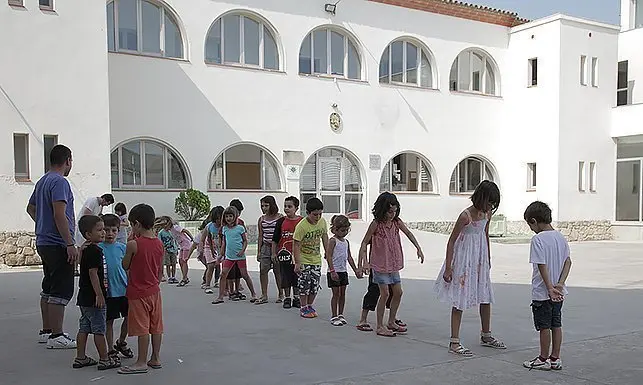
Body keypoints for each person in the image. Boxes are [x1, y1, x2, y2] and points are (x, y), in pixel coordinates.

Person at [434, 180, 506, 356]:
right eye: (488, 201)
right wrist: (449, 267)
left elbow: (485, 235)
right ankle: (454, 341)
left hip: (479, 259)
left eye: (492, 204)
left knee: (485, 295)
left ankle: (486, 334)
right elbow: (452, 240)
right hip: (464, 259)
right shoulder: (466, 216)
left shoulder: (487, 214)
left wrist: (487, 258)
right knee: (460, 298)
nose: (490, 206)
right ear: (481, 197)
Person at [26, 144, 78, 349]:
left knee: (48, 286)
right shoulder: (60, 182)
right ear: (67, 160)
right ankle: (57, 335)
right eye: (71, 161)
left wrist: (41, 223)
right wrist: (70, 242)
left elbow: (30, 208)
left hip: (43, 241)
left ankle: (46, 331)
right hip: (58, 243)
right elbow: (60, 214)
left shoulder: (42, 181)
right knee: (61, 289)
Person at [357, 192, 424, 337]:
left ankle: (392, 321)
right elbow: (364, 243)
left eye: (394, 211)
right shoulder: (376, 224)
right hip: (380, 265)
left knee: (398, 292)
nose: (392, 214)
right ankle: (380, 326)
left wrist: (418, 247)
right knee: (385, 293)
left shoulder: (396, 222)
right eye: (389, 211)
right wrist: (365, 262)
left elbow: (409, 233)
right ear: (382, 210)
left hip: (393, 264)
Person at [522, 201, 572, 371]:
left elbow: (541, 265)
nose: (531, 229)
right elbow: (568, 262)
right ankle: (555, 358)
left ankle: (543, 358)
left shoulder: (537, 240)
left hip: (543, 293)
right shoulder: (560, 237)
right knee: (556, 324)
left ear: (534, 221)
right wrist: (560, 283)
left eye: (530, 225)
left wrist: (549, 287)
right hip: (559, 292)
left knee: (544, 327)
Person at [119, 204, 165, 375]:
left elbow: (125, 265)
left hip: (138, 293)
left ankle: (141, 362)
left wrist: (131, 241)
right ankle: (155, 357)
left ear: (137, 224)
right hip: (154, 291)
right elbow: (160, 270)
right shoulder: (159, 244)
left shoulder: (133, 244)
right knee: (156, 326)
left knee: (142, 328)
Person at [73, 215, 121, 370]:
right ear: (88, 234)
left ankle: (80, 358)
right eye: (100, 230)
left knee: (84, 328)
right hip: (94, 298)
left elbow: (81, 264)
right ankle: (104, 359)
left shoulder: (86, 249)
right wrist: (99, 294)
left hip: (84, 298)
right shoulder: (94, 251)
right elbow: (93, 274)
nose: (103, 233)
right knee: (99, 329)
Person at [99, 214, 134, 360]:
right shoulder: (97, 248)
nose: (110, 233)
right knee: (109, 321)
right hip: (108, 292)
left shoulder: (122, 248)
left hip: (124, 290)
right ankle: (110, 348)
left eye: (114, 230)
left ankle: (121, 341)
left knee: (129, 318)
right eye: (106, 230)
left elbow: (128, 268)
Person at [212, 206, 257, 304]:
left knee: (245, 275)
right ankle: (220, 297)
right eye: (227, 216)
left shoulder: (240, 228)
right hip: (229, 256)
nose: (229, 218)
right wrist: (221, 255)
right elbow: (224, 243)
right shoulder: (224, 229)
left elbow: (245, 241)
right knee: (223, 274)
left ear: (235, 217)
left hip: (240, 256)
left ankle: (254, 294)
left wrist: (242, 250)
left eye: (231, 216)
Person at [293, 197, 329, 319]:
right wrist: (297, 263)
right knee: (304, 283)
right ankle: (303, 306)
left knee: (315, 283)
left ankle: (310, 305)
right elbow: (296, 244)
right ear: (307, 213)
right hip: (304, 259)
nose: (317, 217)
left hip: (316, 259)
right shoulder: (302, 226)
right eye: (315, 214)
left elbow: (325, 237)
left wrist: (328, 252)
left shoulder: (322, 222)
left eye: (320, 214)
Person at [325, 215, 361, 326]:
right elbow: (329, 256)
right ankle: (334, 315)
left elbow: (349, 257)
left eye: (346, 230)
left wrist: (355, 270)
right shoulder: (332, 241)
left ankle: (341, 314)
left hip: (343, 271)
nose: (344, 232)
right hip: (334, 271)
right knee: (336, 294)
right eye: (342, 230)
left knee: (342, 294)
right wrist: (332, 270)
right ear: (335, 229)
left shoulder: (346, 242)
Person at [272, 196, 303, 309]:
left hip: (298, 254)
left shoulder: (301, 221)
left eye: (289, 206)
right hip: (284, 253)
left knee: (296, 276)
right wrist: (274, 253)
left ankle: (296, 298)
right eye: (285, 206)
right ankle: (287, 298)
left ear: (296, 208)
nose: (287, 209)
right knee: (285, 276)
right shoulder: (281, 221)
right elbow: (275, 239)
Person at [73, 194, 115, 275]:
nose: (106, 205)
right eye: (107, 203)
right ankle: (76, 268)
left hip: (93, 229)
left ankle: (86, 265)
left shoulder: (100, 206)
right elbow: (86, 214)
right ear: (104, 199)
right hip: (85, 228)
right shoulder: (92, 201)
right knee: (80, 248)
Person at [256, 195, 283, 304]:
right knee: (263, 271)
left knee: (278, 271)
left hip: (277, 247)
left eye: (266, 205)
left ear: (272, 205)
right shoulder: (261, 219)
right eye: (262, 206)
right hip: (265, 247)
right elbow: (260, 236)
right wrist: (258, 251)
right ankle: (264, 295)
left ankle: (281, 294)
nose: (264, 208)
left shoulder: (280, 218)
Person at [203, 206, 224, 293]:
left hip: (221, 247)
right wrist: (211, 251)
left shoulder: (224, 227)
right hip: (209, 247)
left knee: (225, 267)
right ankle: (207, 285)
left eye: (220, 219)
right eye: (217, 219)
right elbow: (208, 239)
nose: (219, 221)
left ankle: (224, 286)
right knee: (211, 265)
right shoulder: (210, 226)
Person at [156, 217, 179, 284]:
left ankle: (173, 277)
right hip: (166, 250)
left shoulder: (172, 231)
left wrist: (176, 248)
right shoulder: (161, 233)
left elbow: (175, 240)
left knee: (174, 264)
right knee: (168, 264)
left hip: (173, 249)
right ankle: (169, 277)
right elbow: (160, 242)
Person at [171, 220, 194, 287]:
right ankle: (185, 277)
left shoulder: (175, 227)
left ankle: (184, 279)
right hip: (181, 246)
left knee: (184, 261)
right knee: (180, 261)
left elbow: (185, 231)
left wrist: (192, 238)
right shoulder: (170, 230)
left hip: (186, 245)